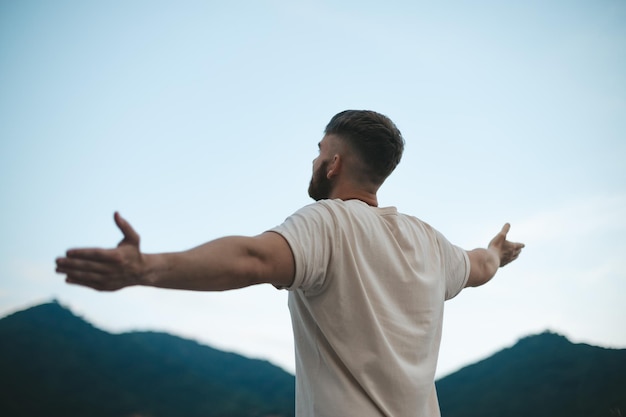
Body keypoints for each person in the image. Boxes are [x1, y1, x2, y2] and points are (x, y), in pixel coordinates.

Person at [56, 110, 525, 417]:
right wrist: (498, 252)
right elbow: (480, 266)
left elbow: (252, 257)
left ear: (334, 164)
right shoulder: (431, 243)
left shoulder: (326, 223)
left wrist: (146, 269)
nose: (315, 159)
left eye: (320, 151)